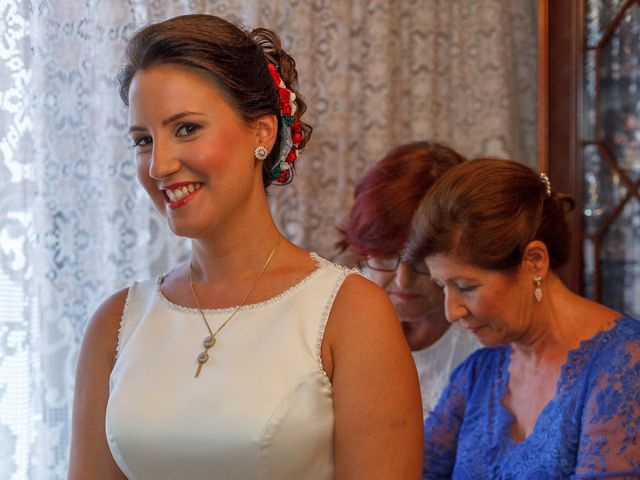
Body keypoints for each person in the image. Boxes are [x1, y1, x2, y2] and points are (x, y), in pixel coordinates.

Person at [67, 14, 422, 479]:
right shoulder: (115, 324)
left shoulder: (350, 313)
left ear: (263, 132)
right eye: (143, 140)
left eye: (187, 129)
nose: (159, 165)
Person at [406, 158, 640, 478]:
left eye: (466, 287)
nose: (452, 311)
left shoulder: (625, 364)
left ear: (534, 261)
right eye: (441, 286)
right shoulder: (479, 374)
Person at [337, 142, 480, 417]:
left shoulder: (481, 338)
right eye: (385, 257)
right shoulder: (333, 316)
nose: (402, 280)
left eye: (421, 262)